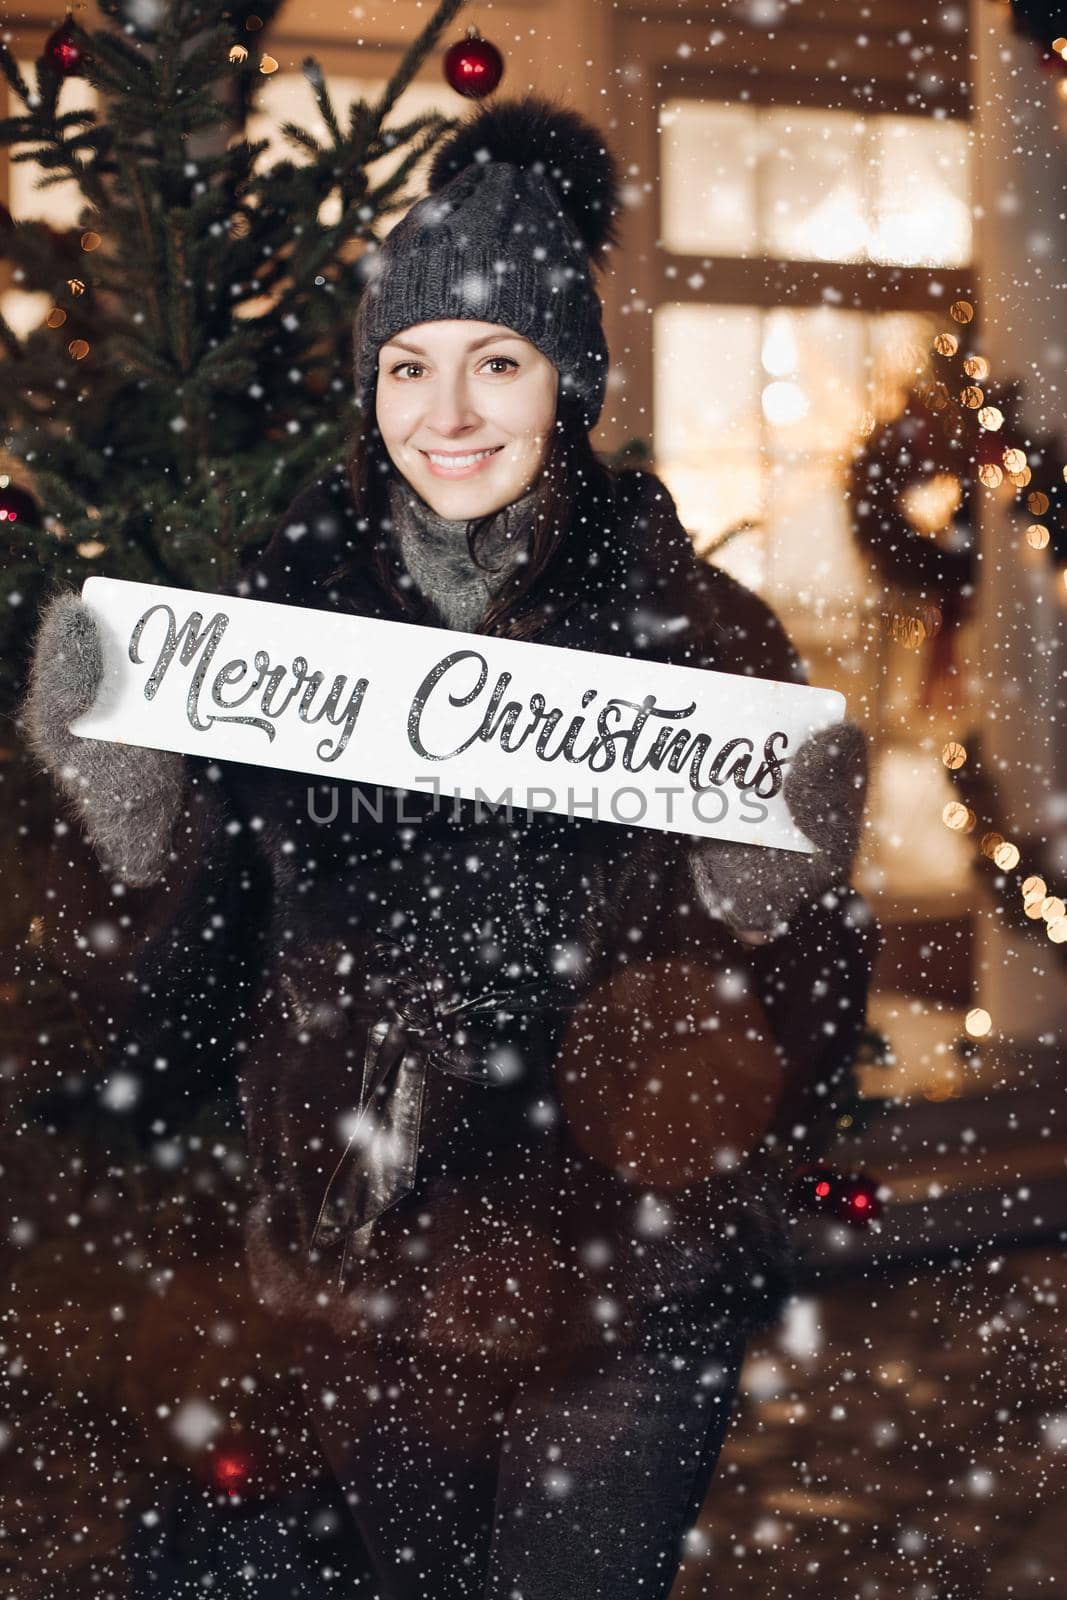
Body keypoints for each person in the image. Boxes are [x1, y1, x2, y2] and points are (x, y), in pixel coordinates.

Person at [22, 94, 877, 1600]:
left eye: (499, 361)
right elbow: (194, 961)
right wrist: (132, 790)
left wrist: (761, 890)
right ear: (371, 387)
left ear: (571, 381)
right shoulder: (281, 621)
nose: (451, 411)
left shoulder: (690, 631)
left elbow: (799, 1001)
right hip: (368, 1284)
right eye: (409, 367)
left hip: (620, 1295)